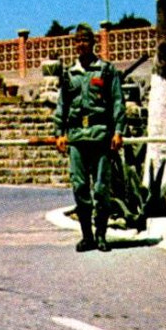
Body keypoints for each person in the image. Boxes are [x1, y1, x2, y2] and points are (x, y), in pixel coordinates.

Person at [53, 24, 126, 252]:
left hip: (100, 136)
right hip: (76, 138)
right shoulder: (69, 74)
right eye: (77, 41)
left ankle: (101, 235)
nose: (81, 45)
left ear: (93, 43)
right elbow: (62, 105)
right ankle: (87, 236)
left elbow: (117, 101)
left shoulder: (105, 70)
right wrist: (59, 133)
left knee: (102, 189)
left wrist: (118, 131)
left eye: (85, 41)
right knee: (79, 187)